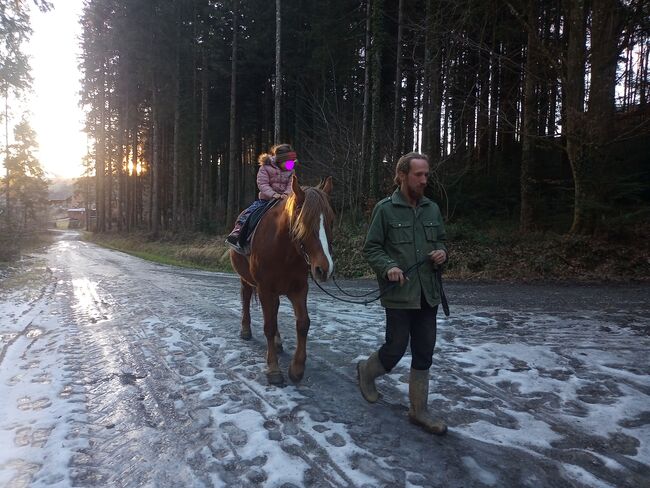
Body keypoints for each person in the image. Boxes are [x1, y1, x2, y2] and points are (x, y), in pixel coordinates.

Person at [357, 152, 448, 435]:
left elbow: (443, 241)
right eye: (418, 175)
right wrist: (389, 267)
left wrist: (443, 253)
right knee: (395, 348)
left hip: (428, 294)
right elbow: (371, 248)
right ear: (402, 176)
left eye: (426, 175)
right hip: (399, 294)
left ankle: (418, 411)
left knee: (425, 351)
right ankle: (366, 372)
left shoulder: (432, 208)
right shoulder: (385, 209)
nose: (424, 180)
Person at [226, 143, 297, 247]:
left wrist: (286, 194)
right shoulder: (266, 167)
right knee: (250, 212)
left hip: (285, 200)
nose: (290, 166)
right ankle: (237, 231)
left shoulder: (291, 170)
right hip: (267, 200)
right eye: (288, 163)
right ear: (280, 160)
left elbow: (291, 184)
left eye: (292, 163)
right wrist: (274, 194)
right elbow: (262, 184)